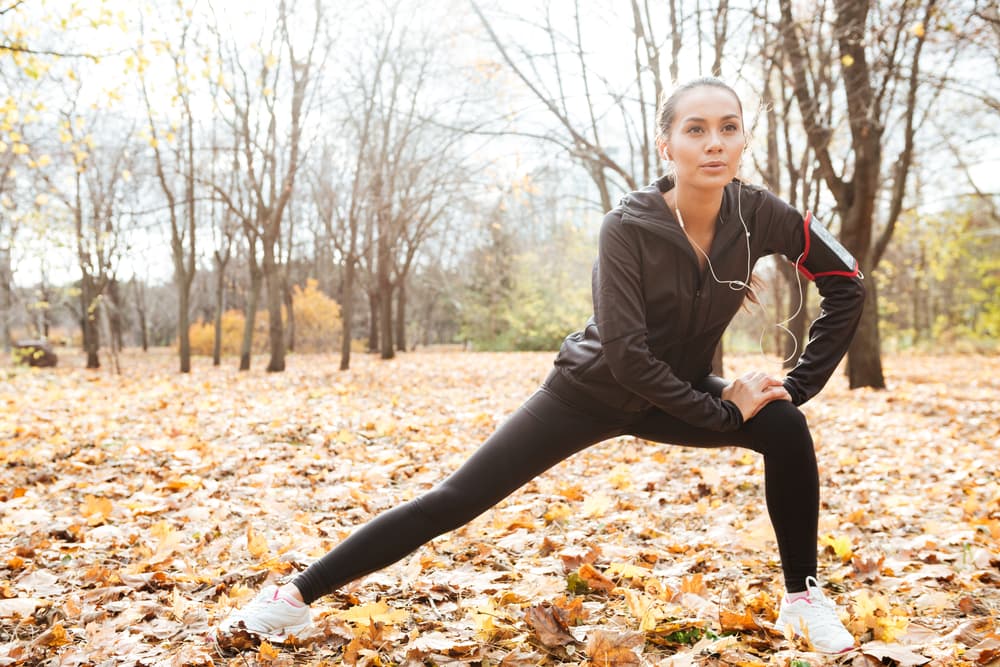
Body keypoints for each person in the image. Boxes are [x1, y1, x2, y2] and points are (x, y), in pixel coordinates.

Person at [218, 77, 865, 654]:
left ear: (742, 139)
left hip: (681, 390)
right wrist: (725, 411)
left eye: (728, 127)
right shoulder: (627, 227)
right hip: (588, 391)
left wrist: (794, 387)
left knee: (783, 426)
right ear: (666, 145)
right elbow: (627, 356)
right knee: (455, 499)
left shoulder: (758, 216)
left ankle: (803, 600)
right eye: (695, 129)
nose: (714, 142)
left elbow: (846, 280)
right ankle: (292, 597)